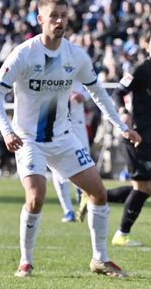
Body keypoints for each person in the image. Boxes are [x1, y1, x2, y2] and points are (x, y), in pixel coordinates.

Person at [0, 0, 141, 278]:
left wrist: (122, 126)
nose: (59, 21)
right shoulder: (24, 53)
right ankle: (26, 261)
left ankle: (100, 259)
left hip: (62, 137)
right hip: (28, 138)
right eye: (54, 15)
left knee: (98, 192)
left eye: (64, 16)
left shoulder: (75, 56)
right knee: (36, 196)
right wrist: (7, 131)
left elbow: (99, 94)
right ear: (40, 19)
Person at [83, 26, 151, 247]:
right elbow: (117, 92)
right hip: (135, 135)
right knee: (144, 188)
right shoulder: (141, 68)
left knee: (144, 188)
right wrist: (124, 113)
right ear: (147, 45)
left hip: (149, 136)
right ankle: (121, 234)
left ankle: (95, 197)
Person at [52, 82, 89, 223]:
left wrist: (83, 96)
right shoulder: (50, 64)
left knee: (83, 162)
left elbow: (94, 87)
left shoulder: (80, 61)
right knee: (58, 167)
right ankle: (67, 210)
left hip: (77, 122)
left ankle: (82, 196)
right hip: (57, 123)